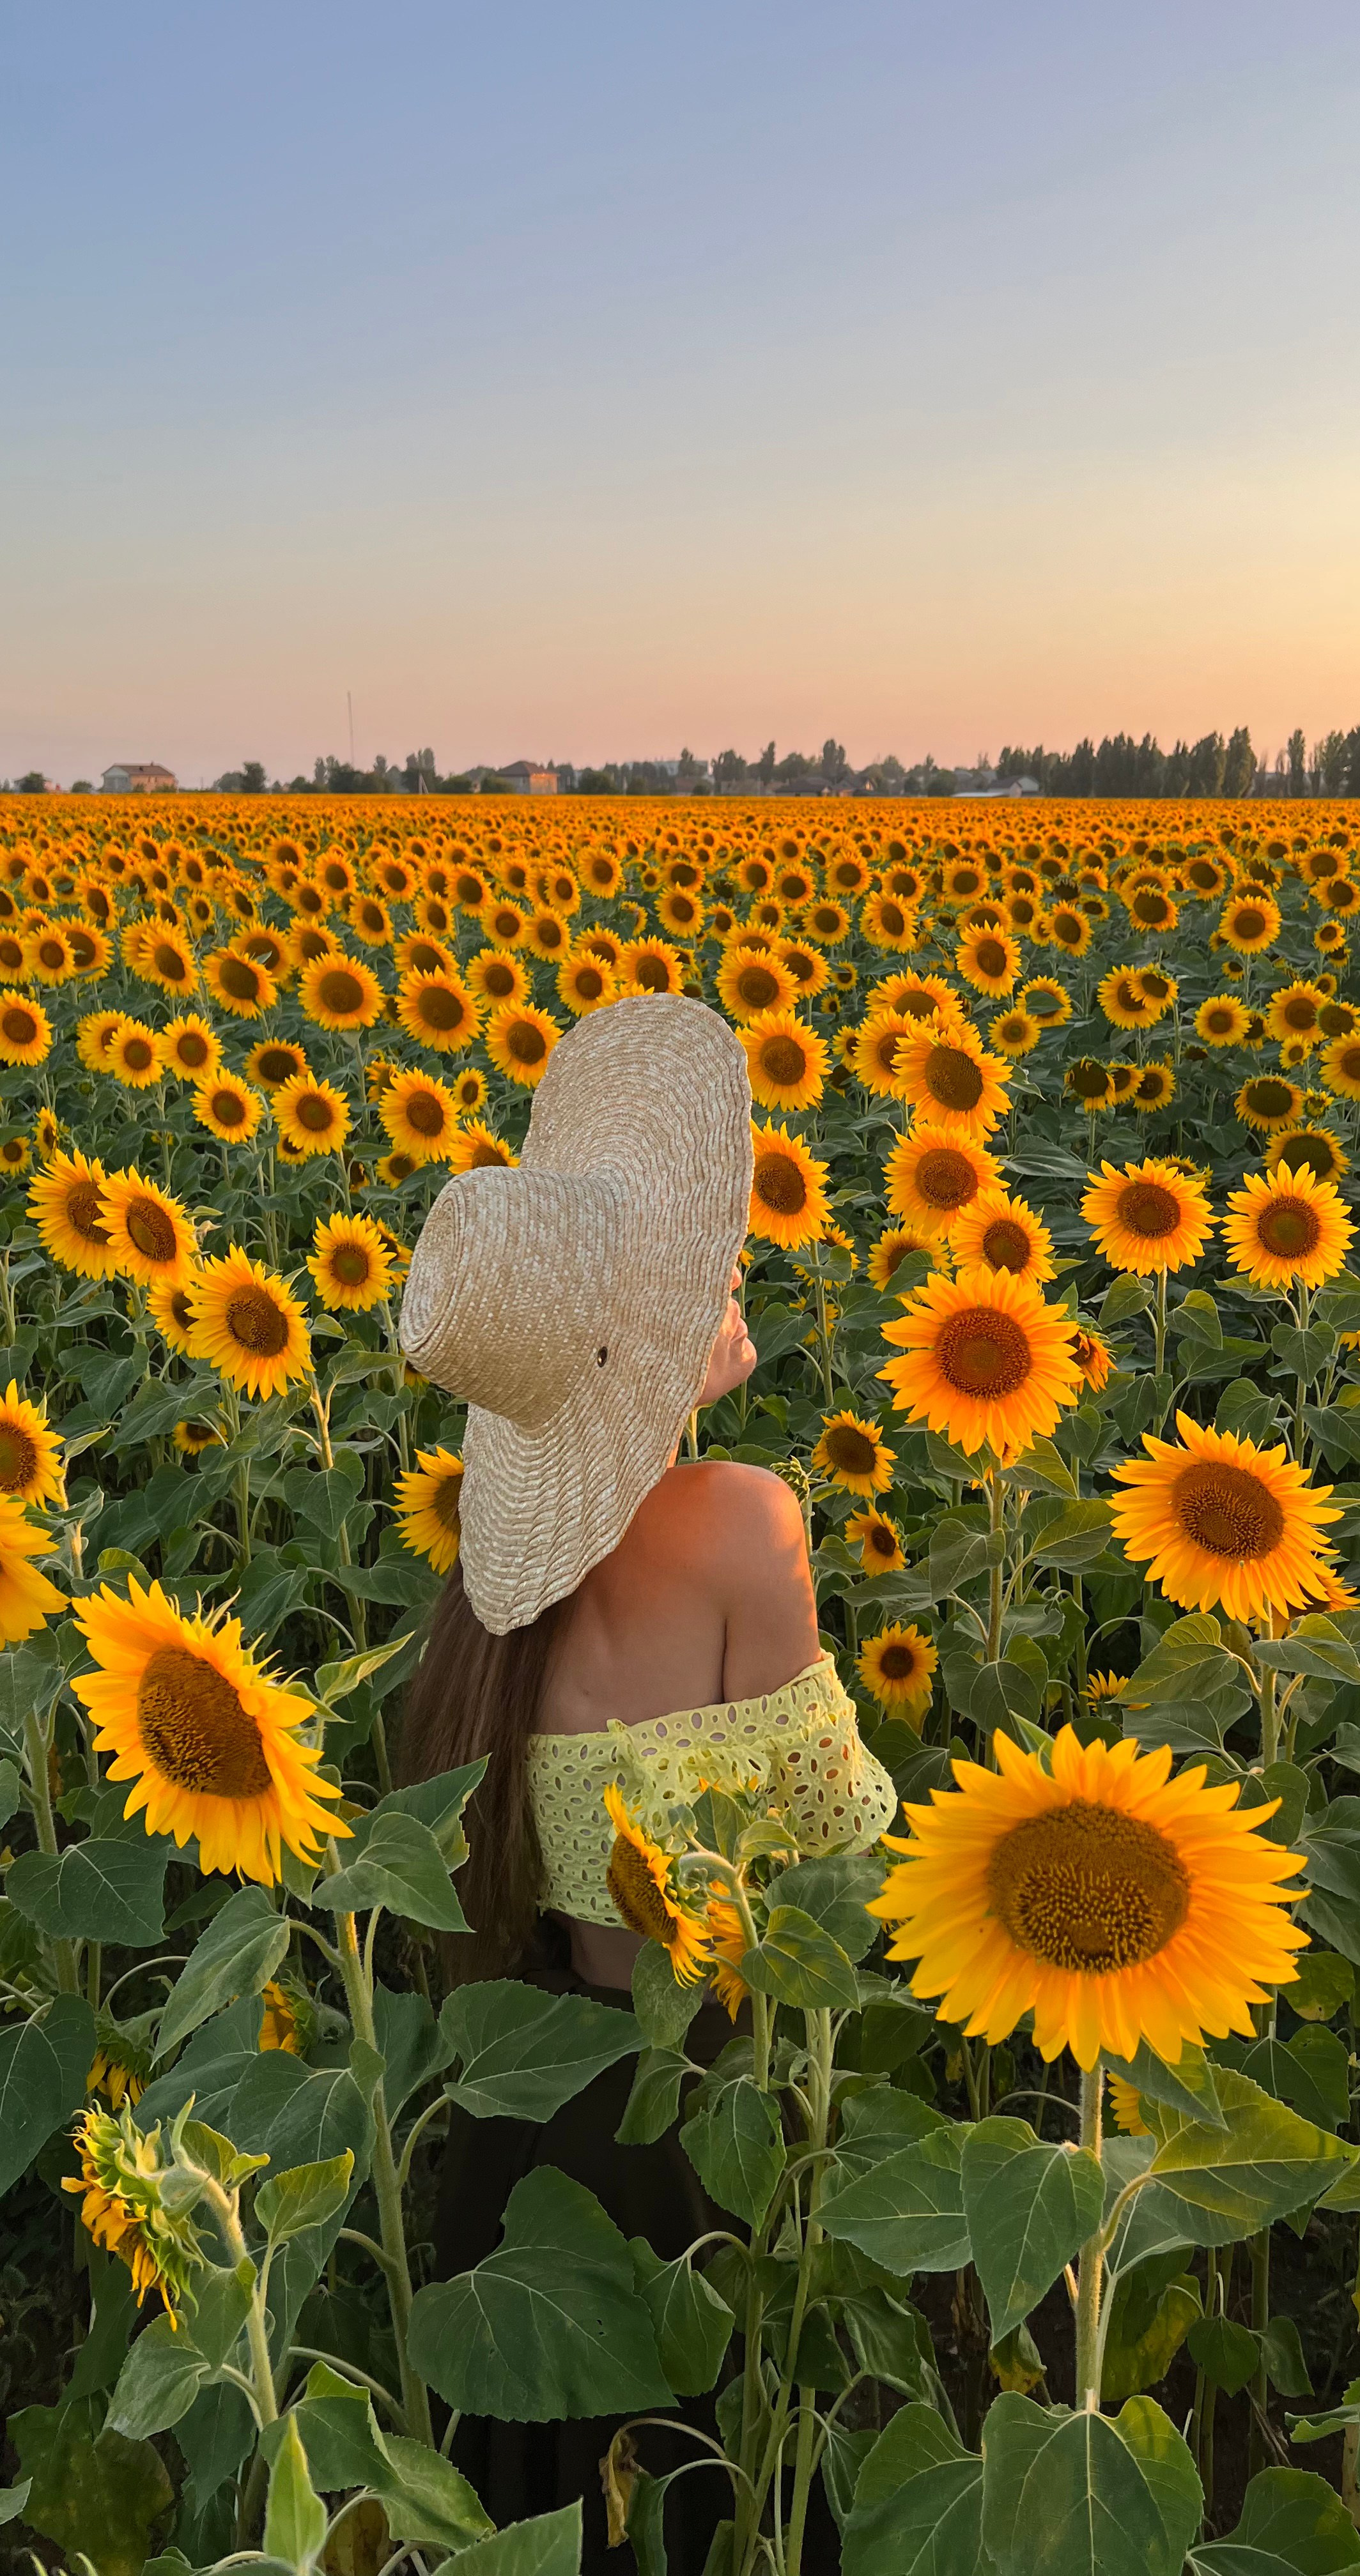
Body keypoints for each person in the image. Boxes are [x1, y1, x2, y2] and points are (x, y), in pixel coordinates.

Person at [398, 994, 895, 2571]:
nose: (731, 1260)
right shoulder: (751, 1523)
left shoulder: (475, 1620)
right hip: (701, 2143)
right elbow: (830, 1869)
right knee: (718, 2495)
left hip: (525, 2145)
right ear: (640, 1343)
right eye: (701, 1261)